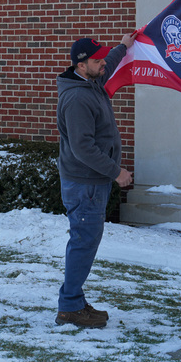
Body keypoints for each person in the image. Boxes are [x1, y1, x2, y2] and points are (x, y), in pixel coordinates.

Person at [55, 34, 136, 328]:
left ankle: (73, 301)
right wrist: (116, 172)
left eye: (103, 58)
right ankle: (69, 307)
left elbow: (111, 63)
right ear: (80, 64)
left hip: (91, 182)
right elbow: (83, 147)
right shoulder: (77, 98)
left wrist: (124, 47)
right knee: (83, 243)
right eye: (97, 59)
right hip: (85, 184)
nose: (103, 63)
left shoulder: (91, 81)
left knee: (86, 242)